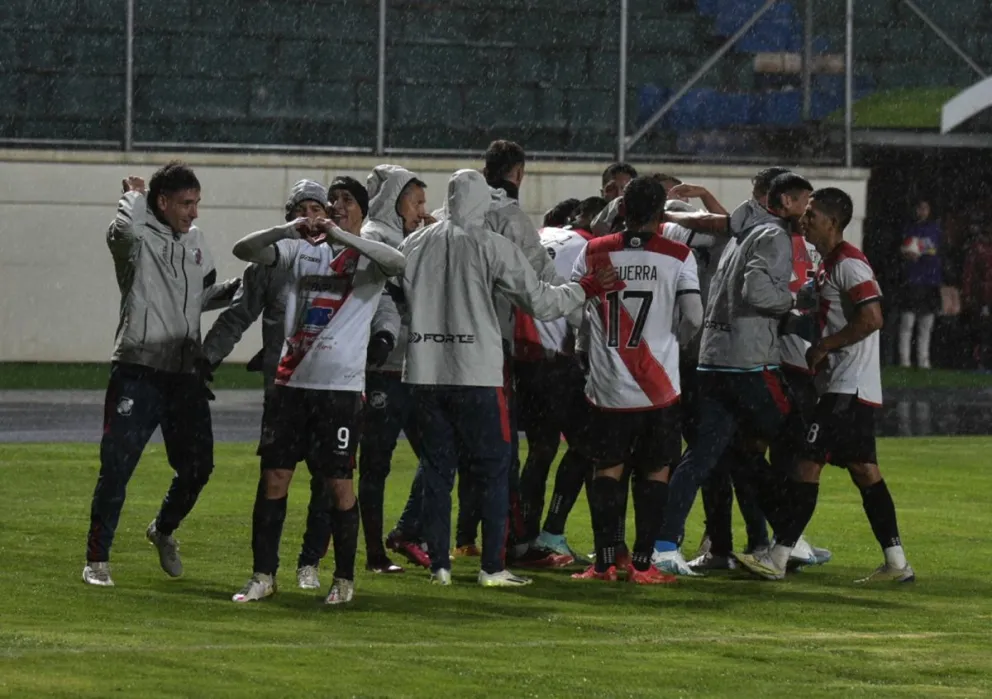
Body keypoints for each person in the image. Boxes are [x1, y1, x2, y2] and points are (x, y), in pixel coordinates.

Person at [394, 168, 618, 587]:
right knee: (496, 468)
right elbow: (542, 303)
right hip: (477, 372)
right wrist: (585, 288)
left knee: (438, 469)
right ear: (482, 201)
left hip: (424, 370)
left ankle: (440, 564)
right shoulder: (491, 244)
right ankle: (493, 567)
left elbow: (398, 292)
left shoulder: (416, 242)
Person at [203, 178, 398, 591]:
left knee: (336, 484)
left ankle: (338, 577)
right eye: (333, 200)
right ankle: (263, 575)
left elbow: (399, 264)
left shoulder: (368, 257)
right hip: (289, 385)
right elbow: (244, 250)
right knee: (274, 478)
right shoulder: (299, 250)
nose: (336, 205)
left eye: (346, 200)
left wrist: (344, 237)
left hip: (341, 390)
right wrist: (288, 230)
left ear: (363, 211)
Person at [736, 188, 913, 583]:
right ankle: (897, 563)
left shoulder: (850, 264)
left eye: (812, 214)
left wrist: (825, 345)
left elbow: (873, 318)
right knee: (864, 471)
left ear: (832, 222)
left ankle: (778, 557)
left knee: (807, 463)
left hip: (847, 386)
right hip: (842, 384)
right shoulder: (829, 264)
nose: (805, 219)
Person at [83, 162, 240, 587]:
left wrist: (242, 286)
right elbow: (124, 231)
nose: (194, 213)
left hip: (184, 375)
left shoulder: (196, 241)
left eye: (197, 203)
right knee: (117, 466)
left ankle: (163, 529)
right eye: (187, 203)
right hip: (138, 370)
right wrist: (132, 195)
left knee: (199, 467)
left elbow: (199, 297)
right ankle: (97, 560)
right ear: (163, 201)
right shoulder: (135, 239)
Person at [652, 172, 814, 576]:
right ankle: (788, 540)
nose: (808, 212)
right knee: (799, 441)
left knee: (709, 456)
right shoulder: (773, 236)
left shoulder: (741, 233)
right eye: (805, 204)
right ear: (786, 202)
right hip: (749, 362)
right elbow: (756, 292)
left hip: (713, 360)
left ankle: (664, 545)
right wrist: (795, 300)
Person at [569, 176, 703, 583]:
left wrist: (594, 340)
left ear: (622, 209)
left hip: (608, 383)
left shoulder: (594, 250)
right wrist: (672, 342)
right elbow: (694, 316)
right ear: (662, 213)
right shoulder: (678, 255)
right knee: (655, 470)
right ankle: (643, 564)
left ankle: (605, 562)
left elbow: (572, 310)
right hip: (658, 384)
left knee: (607, 469)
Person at [355, 165, 435, 573]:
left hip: (412, 366)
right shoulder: (375, 238)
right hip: (384, 367)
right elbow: (405, 292)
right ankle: (374, 554)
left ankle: (407, 531)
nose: (422, 211)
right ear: (394, 201)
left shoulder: (405, 237)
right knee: (376, 463)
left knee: (439, 454)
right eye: (417, 202)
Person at [898, 199, 942, 369]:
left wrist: (920, 251)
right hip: (912, 281)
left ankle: (924, 360)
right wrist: (906, 253)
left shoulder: (934, 229)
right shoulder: (908, 228)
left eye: (925, 208)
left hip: (930, 281)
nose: (922, 212)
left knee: (926, 323)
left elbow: (936, 250)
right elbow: (902, 249)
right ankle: (904, 361)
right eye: (919, 208)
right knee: (907, 322)